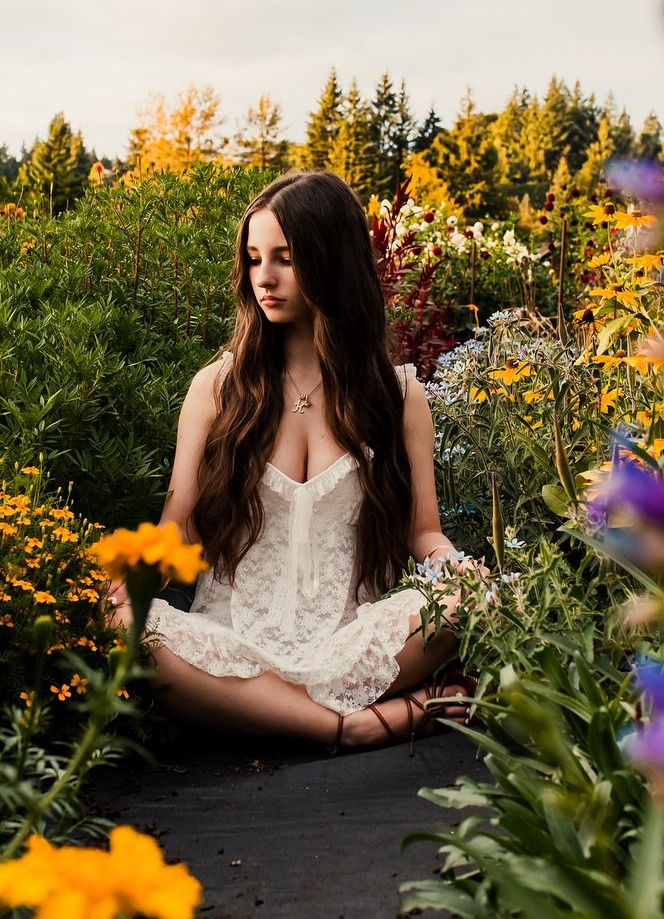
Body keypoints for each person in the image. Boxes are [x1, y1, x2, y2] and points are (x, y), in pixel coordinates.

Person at [107, 171, 475, 751]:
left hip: (350, 638)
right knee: (126, 629)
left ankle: (260, 714)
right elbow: (177, 526)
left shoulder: (396, 394)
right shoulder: (217, 388)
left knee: (471, 602)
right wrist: (130, 578)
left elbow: (423, 532)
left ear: (332, 260)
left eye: (284, 258)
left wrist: (459, 570)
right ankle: (347, 726)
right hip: (233, 642)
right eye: (254, 259)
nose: (264, 278)